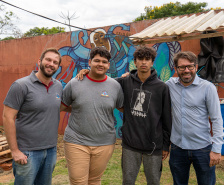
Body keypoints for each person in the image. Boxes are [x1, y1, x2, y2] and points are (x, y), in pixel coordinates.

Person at [77, 45, 172, 185]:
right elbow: (102, 82)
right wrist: (87, 72)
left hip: (153, 145)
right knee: (127, 181)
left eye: (147, 59)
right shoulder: (124, 82)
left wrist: (165, 145)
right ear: (135, 62)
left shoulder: (162, 87)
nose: (144, 62)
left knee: (153, 181)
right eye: (140, 59)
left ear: (152, 62)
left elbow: (167, 118)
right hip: (130, 144)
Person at [60, 46, 124, 185]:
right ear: (89, 62)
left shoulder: (115, 86)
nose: (100, 64)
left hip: (105, 142)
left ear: (108, 65)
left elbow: (122, 107)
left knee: (95, 180)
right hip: (76, 141)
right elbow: (62, 106)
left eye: (104, 62)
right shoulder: (75, 83)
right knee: (78, 181)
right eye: (97, 61)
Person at [3, 48, 63, 185]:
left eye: (55, 62)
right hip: (27, 152)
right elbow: (7, 117)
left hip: (51, 150)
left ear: (58, 67)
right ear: (40, 61)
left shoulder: (58, 86)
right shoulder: (21, 85)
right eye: (48, 60)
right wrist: (14, 150)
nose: (51, 64)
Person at [166, 51, 224, 185]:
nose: (186, 70)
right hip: (177, 148)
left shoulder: (207, 88)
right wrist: (130, 76)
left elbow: (216, 119)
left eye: (190, 66)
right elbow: (153, 85)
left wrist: (216, 148)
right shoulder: (170, 85)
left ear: (196, 67)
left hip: (203, 148)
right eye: (182, 67)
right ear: (176, 69)